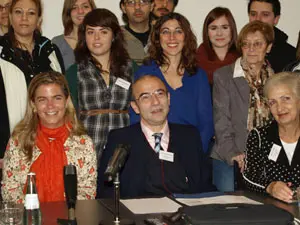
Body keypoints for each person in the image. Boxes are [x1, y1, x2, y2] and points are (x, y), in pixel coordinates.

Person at [97, 75, 215, 198]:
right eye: (146, 97)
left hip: (184, 212)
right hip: (137, 213)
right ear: (135, 107)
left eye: (160, 94)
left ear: (168, 99)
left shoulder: (189, 136)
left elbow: (204, 186)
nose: (155, 102)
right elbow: (105, 190)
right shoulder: (121, 139)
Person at [2, 71, 97, 203]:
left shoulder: (83, 142)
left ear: (66, 101)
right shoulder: (19, 141)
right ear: (33, 105)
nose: (50, 106)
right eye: (42, 99)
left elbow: (87, 192)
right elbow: (9, 192)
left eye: (57, 98)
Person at [131, 13, 214, 155]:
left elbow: (206, 123)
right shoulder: (144, 73)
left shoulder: (198, 75)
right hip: (153, 150)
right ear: (158, 38)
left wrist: (195, 154)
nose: (172, 37)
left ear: (186, 37)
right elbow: (135, 118)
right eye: (165, 32)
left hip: (191, 150)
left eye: (178, 31)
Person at [211, 21, 274, 192]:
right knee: (230, 208)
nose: (251, 49)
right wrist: (234, 154)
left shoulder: (276, 79)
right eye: (246, 44)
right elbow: (221, 121)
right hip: (230, 154)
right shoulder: (224, 76)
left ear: (268, 47)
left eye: (257, 44)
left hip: (266, 157)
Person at [0, 0, 64, 167]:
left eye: (31, 13)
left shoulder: (50, 49)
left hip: (52, 140)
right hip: (12, 143)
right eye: (18, 12)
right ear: (10, 17)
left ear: (39, 20)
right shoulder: (1, 51)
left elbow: (64, 95)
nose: (24, 18)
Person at [66, 8, 133, 159]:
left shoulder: (131, 69)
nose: (96, 38)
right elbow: (69, 118)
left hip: (124, 152)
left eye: (103, 32)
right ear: (84, 36)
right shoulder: (74, 72)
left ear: (114, 36)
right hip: (86, 153)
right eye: (90, 32)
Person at [243, 72, 300, 203]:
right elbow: (249, 176)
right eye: (273, 102)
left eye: (286, 98)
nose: (280, 107)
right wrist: (270, 186)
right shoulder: (259, 136)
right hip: (271, 210)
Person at [248, 0, 296, 73]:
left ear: (276, 19)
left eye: (265, 14)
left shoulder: (291, 56)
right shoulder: (239, 51)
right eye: (253, 14)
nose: (258, 19)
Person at [196, 7, 240, 85]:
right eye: (213, 28)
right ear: (207, 32)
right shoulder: (194, 62)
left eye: (224, 27)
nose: (219, 33)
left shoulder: (243, 60)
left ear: (232, 30)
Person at [52, 0, 96, 71]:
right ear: (68, 12)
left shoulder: (101, 41)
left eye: (85, 6)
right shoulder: (57, 43)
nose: (80, 11)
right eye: (74, 8)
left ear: (92, 10)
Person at [119, 0, 153, 65]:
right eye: (131, 2)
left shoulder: (163, 35)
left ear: (151, 6)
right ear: (123, 7)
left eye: (143, 1)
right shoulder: (115, 36)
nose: (137, 7)